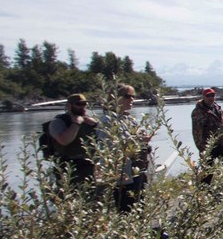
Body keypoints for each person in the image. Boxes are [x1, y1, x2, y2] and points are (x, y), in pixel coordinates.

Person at [97, 84, 152, 212]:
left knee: (139, 207)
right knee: (126, 210)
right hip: (122, 176)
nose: (131, 99)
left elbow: (136, 138)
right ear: (114, 98)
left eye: (133, 96)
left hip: (137, 171)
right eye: (127, 96)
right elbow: (110, 147)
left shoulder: (129, 119)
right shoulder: (107, 121)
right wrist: (137, 140)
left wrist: (142, 139)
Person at [50, 93, 100, 183]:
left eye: (84, 104)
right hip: (68, 169)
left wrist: (96, 125)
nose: (82, 107)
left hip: (89, 167)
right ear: (69, 106)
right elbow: (64, 141)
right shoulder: (58, 122)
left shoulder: (90, 122)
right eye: (79, 104)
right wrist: (76, 124)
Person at [191, 88, 223, 169]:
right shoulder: (198, 111)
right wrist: (202, 149)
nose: (210, 98)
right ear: (203, 97)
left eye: (212, 95)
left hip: (221, 143)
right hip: (208, 146)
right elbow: (196, 132)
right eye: (208, 96)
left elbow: (222, 125)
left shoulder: (217, 108)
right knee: (207, 173)